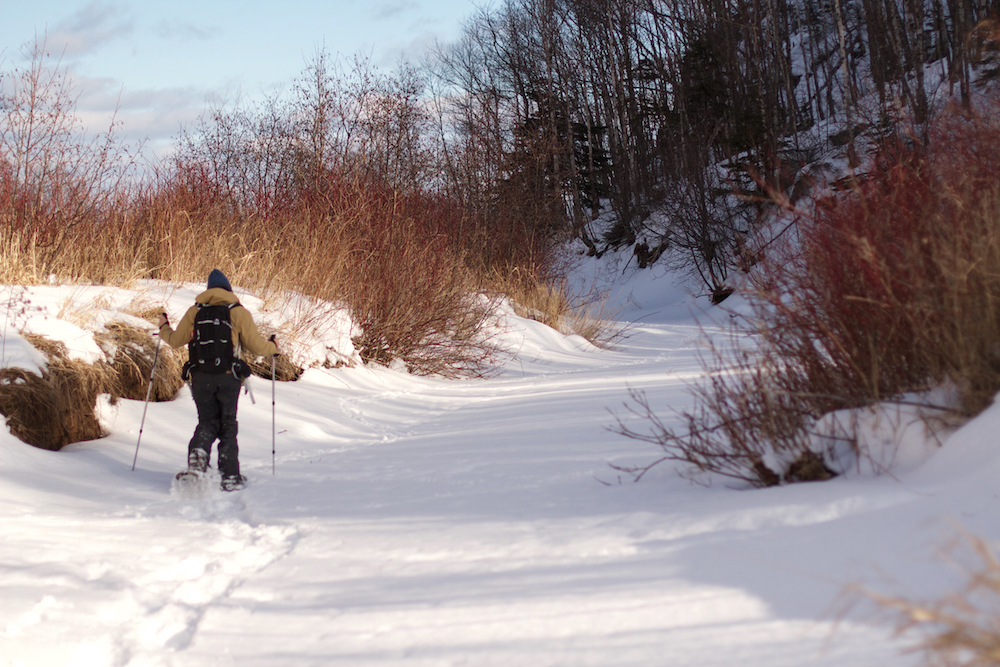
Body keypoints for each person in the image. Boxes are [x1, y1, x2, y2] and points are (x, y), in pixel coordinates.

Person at [158, 269, 278, 491]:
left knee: (207, 421)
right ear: (228, 289)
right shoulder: (238, 312)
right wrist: (273, 347)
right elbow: (257, 347)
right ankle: (230, 476)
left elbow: (175, 341)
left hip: (200, 377)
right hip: (228, 378)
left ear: (208, 289)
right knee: (228, 425)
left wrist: (163, 327)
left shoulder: (195, 312)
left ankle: (198, 456)